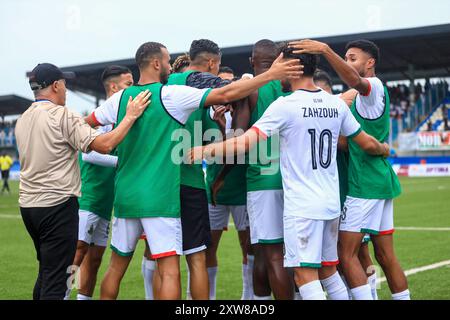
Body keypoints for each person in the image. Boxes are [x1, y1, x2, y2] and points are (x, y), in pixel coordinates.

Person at [83, 41, 301, 300]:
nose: (169, 65)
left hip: (126, 195)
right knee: (177, 267)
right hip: (164, 194)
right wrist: (270, 75)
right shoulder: (171, 95)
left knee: (116, 266)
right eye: (166, 61)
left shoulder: (120, 99)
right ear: (156, 63)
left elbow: (84, 125)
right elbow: (226, 94)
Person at [189, 47, 390, 300]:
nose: (277, 71)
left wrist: (205, 149)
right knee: (328, 271)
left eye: (280, 64)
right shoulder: (334, 103)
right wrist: (384, 147)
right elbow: (367, 143)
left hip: (303, 206)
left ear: (293, 68)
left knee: (304, 275)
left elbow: (243, 142)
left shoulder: (285, 105)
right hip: (330, 203)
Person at [15, 63, 150, 300]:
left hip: (29, 206)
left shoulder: (23, 118)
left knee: (47, 273)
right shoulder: (63, 115)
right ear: (56, 85)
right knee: (58, 281)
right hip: (57, 205)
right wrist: (130, 117)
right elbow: (104, 146)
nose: (66, 90)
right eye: (65, 84)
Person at [290, 38, 409, 300]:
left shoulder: (373, 87)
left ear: (370, 62)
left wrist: (324, 50)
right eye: (346, 57)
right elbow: (347, 141)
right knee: (386, 256)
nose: (347, 62)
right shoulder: (354, 99)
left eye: (352, 58)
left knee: (345, 254)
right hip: (379, 181)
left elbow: (358, 83)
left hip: (364, 184)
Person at [167, 39, 252, 300]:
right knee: (206, 246)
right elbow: (207, 141)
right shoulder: (203, 105)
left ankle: (248, 298)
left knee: (247, 245)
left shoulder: (243, 105)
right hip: (210, 187)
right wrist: (216, 122)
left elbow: (243, 146)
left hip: (237, 186)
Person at [212, 40, 294, 300]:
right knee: (283, 251)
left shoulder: (252, 91)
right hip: (293, 181)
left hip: (263, 180)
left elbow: (238, 139)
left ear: (251, 61)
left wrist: (221, 177)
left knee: (268, 252)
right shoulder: (290, 89)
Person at [67, 65, 134, 300]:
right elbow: (88, 153)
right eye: (128, 84)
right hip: (89, 197)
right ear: (114, 88)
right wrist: (122, 162)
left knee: (94, 259)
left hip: (106, 201)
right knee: (77, 254)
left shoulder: (121, 118)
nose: (133, 88)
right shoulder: (100, 115)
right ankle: (63, 295)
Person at [313, 69, 379, 300]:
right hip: (324, 194)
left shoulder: (342, 110)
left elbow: (348, 142)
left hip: (349, 193)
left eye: (327, 95)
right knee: (333, 257)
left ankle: (371, 292)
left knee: (360, 252)